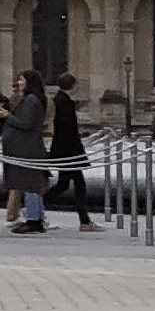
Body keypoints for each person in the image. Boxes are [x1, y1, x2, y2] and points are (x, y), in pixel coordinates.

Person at [0, 71, 51, 235]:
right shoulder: (30, 99)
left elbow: (26, 123)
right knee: (31, 184)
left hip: (27, 148)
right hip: (25, 147)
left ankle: (33, 220)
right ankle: (36, 217)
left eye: (21, 80)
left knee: (29, 184)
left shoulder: (31, 100)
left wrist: (7, 115)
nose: (19, 83)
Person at [45, 73, 96, 233]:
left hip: (65, 149)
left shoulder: (60, 99)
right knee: (77, 184)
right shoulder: (64, 101)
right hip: (69, 150)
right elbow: (67, 128)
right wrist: (76, 150)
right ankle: (84, 221)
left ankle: (36, 207)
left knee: (64, 184)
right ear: (72, 85)